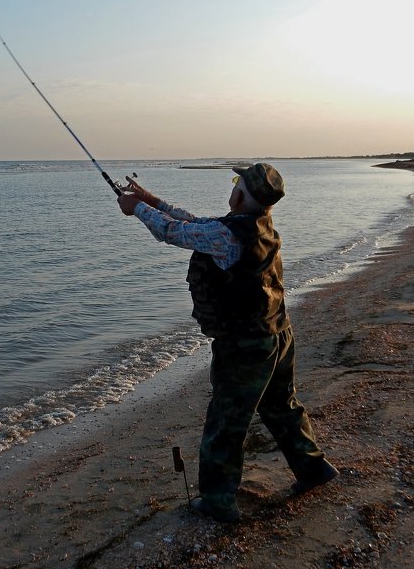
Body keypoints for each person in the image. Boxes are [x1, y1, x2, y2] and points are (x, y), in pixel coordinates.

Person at [117, 163, 338, 522]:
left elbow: (175, 232)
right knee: (283, 406)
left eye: (236, 183)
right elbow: (196, 223)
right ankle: (314, 470)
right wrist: (151, 199)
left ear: (240, 195)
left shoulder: (228, 235)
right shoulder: (257, 225)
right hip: (278, 334)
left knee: (226, 421)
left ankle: (218, 502)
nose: (232, 187)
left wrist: (137, 209)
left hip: (245, 346)